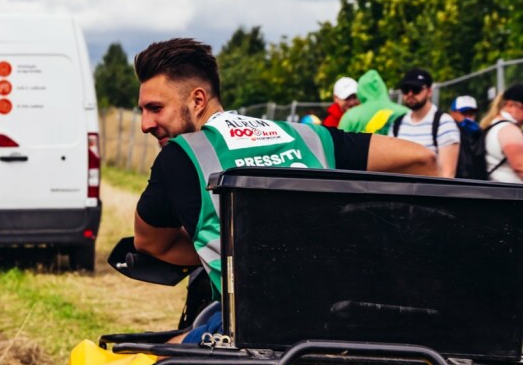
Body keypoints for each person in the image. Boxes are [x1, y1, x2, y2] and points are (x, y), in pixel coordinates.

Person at [130, 38, 437, 342]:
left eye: (155, 108)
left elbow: (152, 244)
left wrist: (242, 252)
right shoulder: (310, 137)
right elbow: (421, 159)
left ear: (198, 100)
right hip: (352, 321)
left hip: (258, 331)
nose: (145, 124)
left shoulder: (179, 157)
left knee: (153, 356)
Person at [389, 67, 461, 176]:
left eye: (416, 89)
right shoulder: (397, 124)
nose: (410, 94)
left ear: (429, 91)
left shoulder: (444, 123)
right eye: (405, 89)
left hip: (428, 192)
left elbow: (447, 175)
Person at [338, 69, 407, 134]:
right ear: (382, 87)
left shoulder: (350, 116)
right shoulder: (405, 112)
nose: (352, 102)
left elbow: (338, 144)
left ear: (360, 91)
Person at [480, 86, 523, 184]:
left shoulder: (493, 125)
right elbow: (520, 167)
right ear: (510, 104)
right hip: (511, 194)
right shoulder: (508, 129)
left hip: (499, 192)